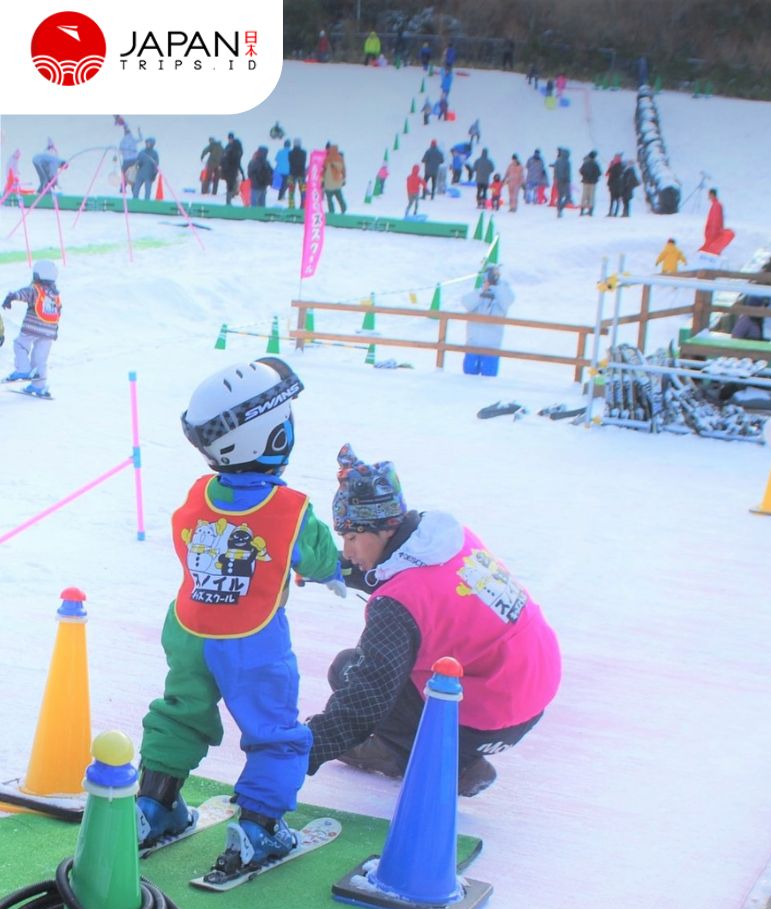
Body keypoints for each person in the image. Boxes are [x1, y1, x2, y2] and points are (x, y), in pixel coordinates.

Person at [135, 358, 344, 876]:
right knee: (274, 730)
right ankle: (260, 828)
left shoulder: (198, 495)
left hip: (189, 627)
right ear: (272, 438)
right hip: (252, 641)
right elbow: (319, 558)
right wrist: (336, 571)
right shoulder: (291, 508)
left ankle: (154, 805)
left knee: (180, 711)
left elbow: (190, 538)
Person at [305, 444, 561, 797]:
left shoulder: (397, 604)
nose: (348, 551)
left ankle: (452, 766)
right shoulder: (448, 541)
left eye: (351, 537)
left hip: (488, 718)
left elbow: (366, 698)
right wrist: (328, 567)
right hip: (534, 692)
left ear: (381, 530)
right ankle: (444, 752)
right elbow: (408, 579)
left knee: (349, 670)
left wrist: (305, 750)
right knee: (385, 665)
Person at [1, 260, 62, 397]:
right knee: (40, 358)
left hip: (32, 327)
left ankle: (23, 369)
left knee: (20, 345)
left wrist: (11, 297)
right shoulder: (55, 295)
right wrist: (55, 331)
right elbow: (58, 312)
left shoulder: (36, 289)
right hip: (49, 331)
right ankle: (38, 386)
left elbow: (25, 293)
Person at [462, 264, 514, 376]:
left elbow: (507, 302)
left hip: (492, 346)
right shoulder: (478, 292)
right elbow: (466, 303)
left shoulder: (503, 292)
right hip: (473, 344)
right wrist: (482, 290)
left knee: (488, 381)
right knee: (467, 379)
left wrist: (497, 286)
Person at [220, 132, 244, 205]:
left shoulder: (233, 147)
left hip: (230, 169)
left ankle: (229, 200)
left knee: (231, 184)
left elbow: (234, 159)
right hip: (231, 169)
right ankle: (229, 199)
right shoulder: (232, 147)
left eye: (230, 138)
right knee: (230, 184)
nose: (229, 140)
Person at [322, 144, 347, 213]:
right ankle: (343, 208)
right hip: (337, 183)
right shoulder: (340, 159)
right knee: (340, 198)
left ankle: (331, 211)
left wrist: (322, 181)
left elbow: (323, 170)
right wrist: (344, 179)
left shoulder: (327, 159)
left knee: (329, 200)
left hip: (328, 184)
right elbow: (343, 170)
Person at [578, 150, 601, 216]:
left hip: (585, 181)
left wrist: (585, 176)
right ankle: (590, 211)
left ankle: (582, 210)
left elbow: (581, 171)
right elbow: (599, 173)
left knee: (584, 196)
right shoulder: (596, 164)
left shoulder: (585, 163)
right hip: (593, 182)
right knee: (591, 196)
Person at [119, 123, 141, 190]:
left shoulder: (123, 140)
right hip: (134, 159)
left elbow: (120, 150)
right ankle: (134, 187)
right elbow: (141, 139)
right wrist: (139, 131)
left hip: (126, 160)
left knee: (124, 173)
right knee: (133, 173)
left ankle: (123, 187)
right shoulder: (133, 139)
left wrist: (124, 153)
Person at [288, 138, 307, 209]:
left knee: (291, 191)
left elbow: (290, 162)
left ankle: (291, 205)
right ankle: (303, 205)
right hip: (301, 174)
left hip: (292, 174)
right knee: (303, 191)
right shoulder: (304, 153)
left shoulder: (290, 153)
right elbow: (303, 162)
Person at [553, 147, 572, 217]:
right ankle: (561, 208)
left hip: (558, 181)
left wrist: (555, 179)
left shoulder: (557, 161)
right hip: (565, 181)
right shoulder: (567, 162)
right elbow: (568, 172)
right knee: (568, 196)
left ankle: (559, 210)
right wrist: (568, 180)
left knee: (560, 196)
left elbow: (555, 171)